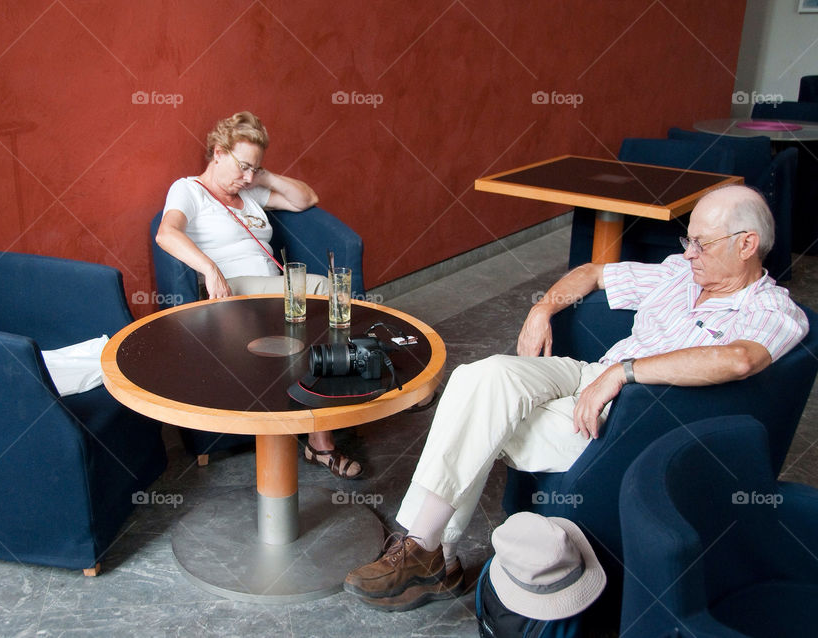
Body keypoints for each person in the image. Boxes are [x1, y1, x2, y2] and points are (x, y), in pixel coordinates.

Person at [343, 184, 809, 609]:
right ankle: (428, 552)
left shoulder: (770, 308)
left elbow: (740, 360)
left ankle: (429, 552)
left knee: (478, 417)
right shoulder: (679, 273)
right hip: (590, 374)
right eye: (687, 241)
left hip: (636, 418)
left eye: (701, 243)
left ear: (746, 244)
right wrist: (543, 309)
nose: (688, 254)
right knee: (479, 378)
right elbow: (591, 273)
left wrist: (626, 373)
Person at [156, 111, 358, 479]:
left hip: (273, 293)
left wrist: (262, 175)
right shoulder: (188, 190)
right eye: (242, 166)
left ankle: (322, 432)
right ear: (217, 153)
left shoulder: (249, 192)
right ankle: (373, 378)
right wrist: (209, 268)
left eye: (254, 169)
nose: (247, 177)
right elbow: (166, 234)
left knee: (322, 321)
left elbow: (305, 199)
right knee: (327, 290)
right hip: (235, 292)